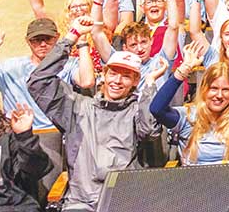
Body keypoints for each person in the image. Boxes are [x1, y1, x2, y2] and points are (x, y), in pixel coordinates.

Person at [27, 16, 166, 211]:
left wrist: (150, 85)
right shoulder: (77, 107)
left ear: (135, 82)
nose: (117, 81)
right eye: (113, 73)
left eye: (126, 76)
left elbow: (150, 131)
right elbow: (38, 82)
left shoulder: (136, 110)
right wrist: (71, 37)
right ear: (104, 75)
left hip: (123, 200)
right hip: (81, 202)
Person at [0, 19, 92, 202]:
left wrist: (82, 42)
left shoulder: (68, 64)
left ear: (57, 38)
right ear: (27, 41)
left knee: (44, 193)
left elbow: (87, 82)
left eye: (48, 39)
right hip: (13, 138)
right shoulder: (11, 67)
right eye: (36, 40)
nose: (42, 44)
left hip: (52, 135)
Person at [149, 40, 229, 165]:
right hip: (193, 176)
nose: (219, 95)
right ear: (204, 89)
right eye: (214, 89)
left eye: (225, 90)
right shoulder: (188, 117)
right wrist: (184, 69)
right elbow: (156, 109)